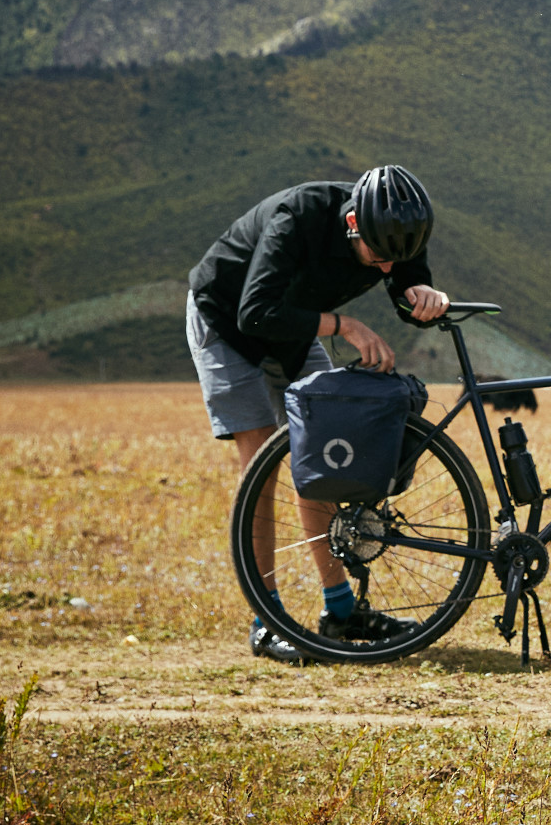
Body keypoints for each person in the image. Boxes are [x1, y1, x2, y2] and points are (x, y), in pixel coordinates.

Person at [187, 164, 451, 663]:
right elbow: (256, 311)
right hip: (229, 321)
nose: (388, 269)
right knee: (261, 467)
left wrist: (422, 296)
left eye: (402, 257)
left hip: (298, 320)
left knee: (326, 458)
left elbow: (405, 283)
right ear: (354, 225)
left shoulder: (395, 231)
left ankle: (341, 611)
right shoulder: (298, 217)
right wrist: (344, 325)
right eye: (379, 258)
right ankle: (267, 622)